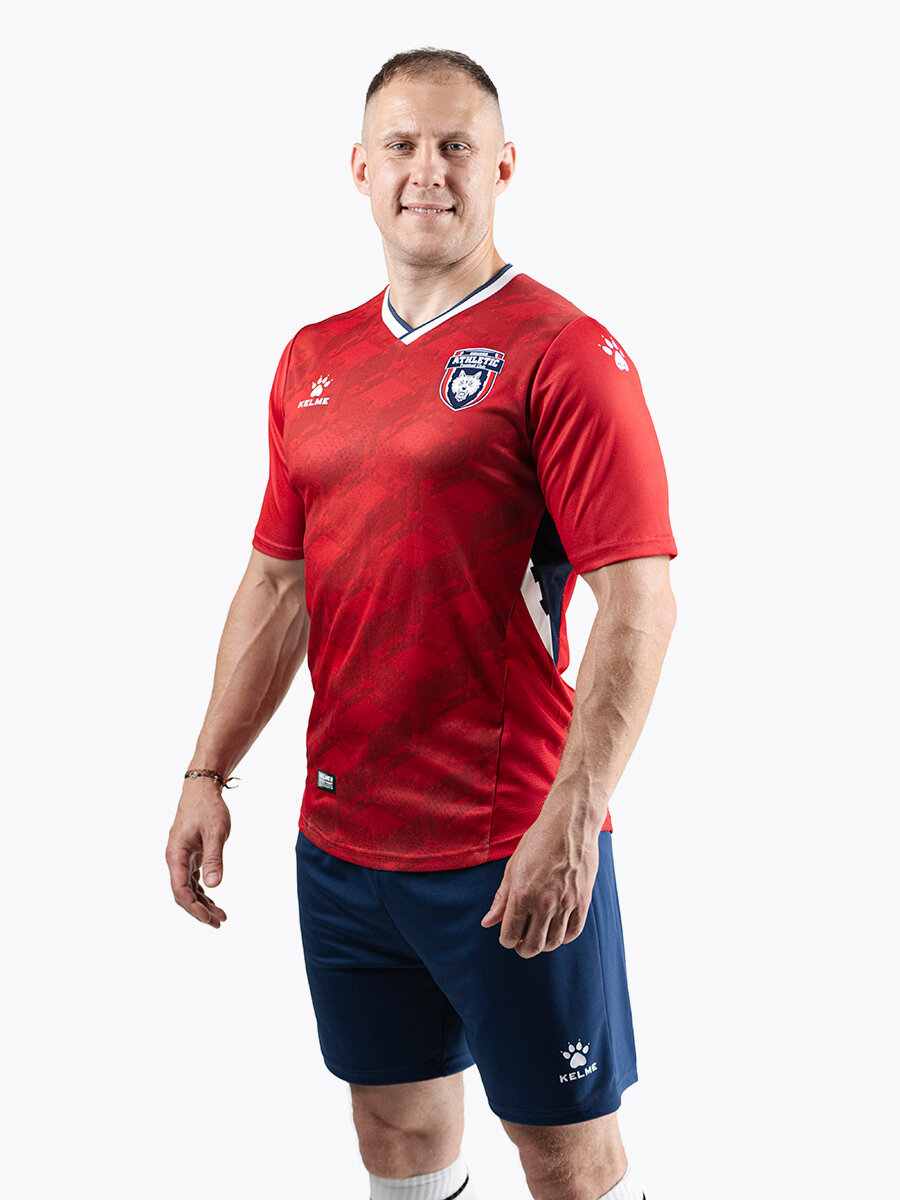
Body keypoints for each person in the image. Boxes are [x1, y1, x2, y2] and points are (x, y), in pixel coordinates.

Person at [166, 47, 677, 1200]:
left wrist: (575, 813)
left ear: (503, 166)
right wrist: (206, 770)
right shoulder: (314, 359)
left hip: (509, 839)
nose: (428, 171)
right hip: (345, 844)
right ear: (361, 167)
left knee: (568, 1159)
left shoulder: (565, 354)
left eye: (456, 146)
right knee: (395, 1135)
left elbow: (641, 602)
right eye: (402, 145)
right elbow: (277, 584)